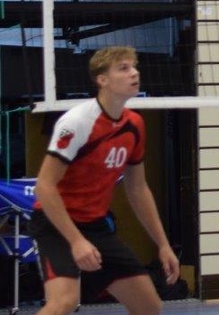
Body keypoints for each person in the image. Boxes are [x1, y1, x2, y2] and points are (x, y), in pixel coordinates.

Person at [30, 46, 179, 315]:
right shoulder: (77, 122)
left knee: (148, 306)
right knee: (64, 302)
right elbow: (44, 186)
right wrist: (76, 241)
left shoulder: (135, 124)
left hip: (96, 226)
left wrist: (163, 244)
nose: (134, 73)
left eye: (134, 67)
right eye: (124, 68)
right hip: (56, 225)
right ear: (102, 80)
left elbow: (137, 188)